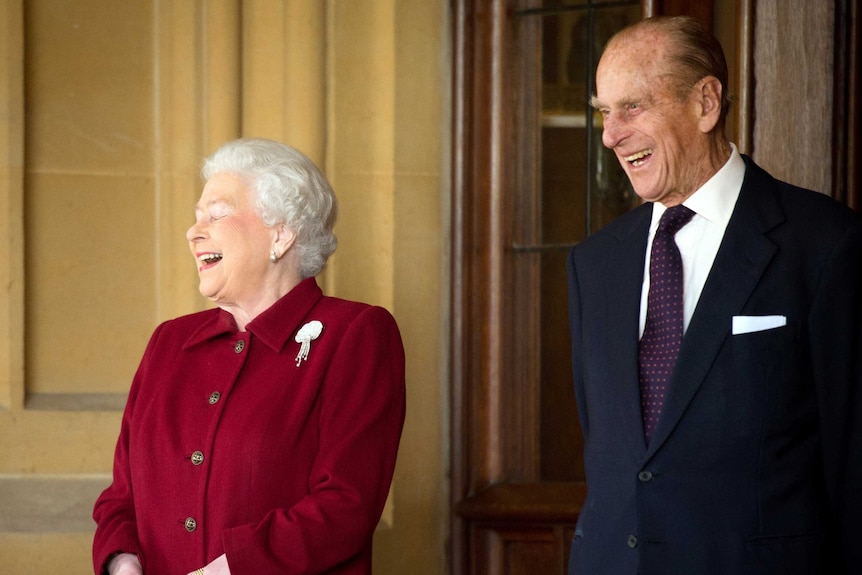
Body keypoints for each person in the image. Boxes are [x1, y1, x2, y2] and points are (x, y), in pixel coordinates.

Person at [567, 15, 862, 575]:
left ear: (705, 103)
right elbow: (613, 453)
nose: (610, 134)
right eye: (604, 112)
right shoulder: (593, 264)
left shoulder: (826, 245)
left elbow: (852, 462)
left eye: (632, 107)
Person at [93, 138, 406, 574]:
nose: (193, 231)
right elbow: (122, 496)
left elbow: (346, 506)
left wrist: (227, 570)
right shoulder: (169, 342)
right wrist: (123, 564)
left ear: (281, 233)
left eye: (216, 214)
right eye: (196, 217)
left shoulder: (355, 334)